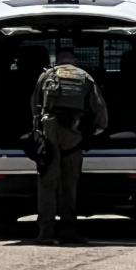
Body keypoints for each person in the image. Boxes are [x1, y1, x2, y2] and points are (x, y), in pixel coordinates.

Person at [31, 48, 108, 245]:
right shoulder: (85, 77)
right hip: (73, 136)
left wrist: (38, 133)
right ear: (74, 62)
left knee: (47, 184)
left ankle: (46, 233)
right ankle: (68, 231)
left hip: (49, 135)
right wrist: (92, 132)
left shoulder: (47, 75)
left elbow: (34, 106)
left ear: (57, 61)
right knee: (69, 185)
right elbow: (100, 112)